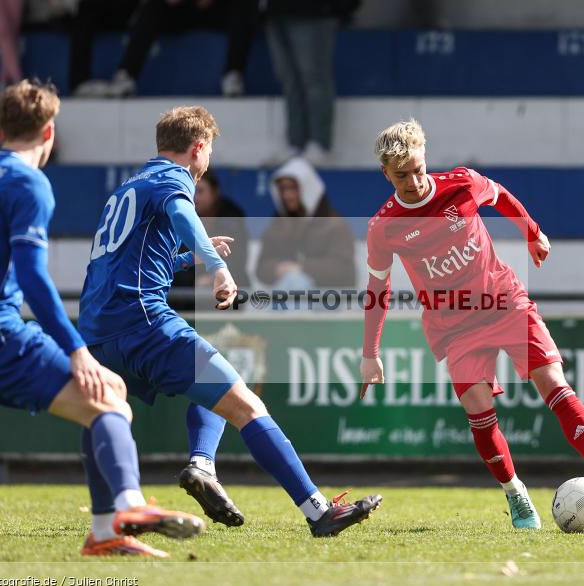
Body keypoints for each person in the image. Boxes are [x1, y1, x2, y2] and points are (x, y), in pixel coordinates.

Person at [0, 79, 204, 558]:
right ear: (50, 132)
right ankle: (129, 507)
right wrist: (78, 351)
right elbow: (33, 277)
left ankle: (103, 534)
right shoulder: (29, 182)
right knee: (110, 401)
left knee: (105, 397)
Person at [77, 105, 381, 536]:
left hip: (97, 330)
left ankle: (137, 504)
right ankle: (318, 512)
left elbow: (128, 255)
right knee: (246, 404)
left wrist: (189, 255)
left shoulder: (129, 186)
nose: (207, 163)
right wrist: (215, 264)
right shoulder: (173, 178)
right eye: (209, 152)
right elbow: (184, 215)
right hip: (144, 320)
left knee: (115, 411)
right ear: (198, 148)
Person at [359, 119, 584, 529]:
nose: (414, 181)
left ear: (425, 158)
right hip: (453, 325)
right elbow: (377, 289)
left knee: (552, 381)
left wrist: (532, 232)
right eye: (402, 175)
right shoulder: (384, 227)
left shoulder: (461, 184)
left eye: (418, 169)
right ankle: (516, 494)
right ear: (386, 172)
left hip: (503, 300)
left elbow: (501, 196)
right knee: (478, 409)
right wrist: (370, 353)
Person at [74, 0, 257, 98]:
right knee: (153, 7)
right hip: (180, 10)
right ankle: (126, 75)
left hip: (217, 11)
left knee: (245, 5)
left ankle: (233, 74)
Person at [262, 0, 360, 165]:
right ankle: (295, 143)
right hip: (275, 11)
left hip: (314, 12)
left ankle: (319, 143)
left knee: (314, 78)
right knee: (289, 80)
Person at [256, 156, 356, 290]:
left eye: (293, 188)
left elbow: (343, 269)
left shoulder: (334, 224)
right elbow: (261, 268)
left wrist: (301, 268)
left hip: (330, 300)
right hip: (286, 294)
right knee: (292, 283)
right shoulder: (278, 224)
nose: (287, 195)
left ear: (308, 188)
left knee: (296, 282)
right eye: (283, 189)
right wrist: (277, 268)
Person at [171, 169, 250, 306]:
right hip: (188, 291)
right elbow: (179, 260)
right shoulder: (184, 216)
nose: (195, 198)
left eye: (200, 191)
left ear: (215, 192)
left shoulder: (231, 215)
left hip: (229, 283)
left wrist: (212, 276)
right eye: (193, 192)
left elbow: (237, 260)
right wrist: (194, 282)